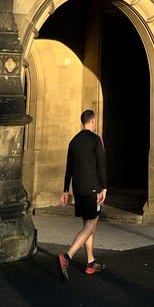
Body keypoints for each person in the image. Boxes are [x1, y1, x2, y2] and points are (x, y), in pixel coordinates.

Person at [58, 109, 107, 278]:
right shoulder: (96, 140)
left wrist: (65, 190)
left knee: (87, 224)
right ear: (92, 121)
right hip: (92, 187)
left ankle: (90, 263)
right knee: (91, 225)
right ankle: (67, 257)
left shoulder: (74, 141)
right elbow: (101, 165)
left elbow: (68, 168)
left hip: (77, 188)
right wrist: (104, 187)